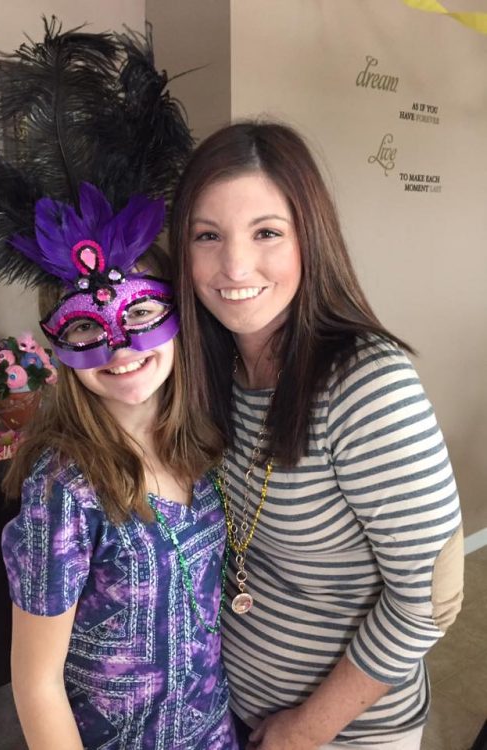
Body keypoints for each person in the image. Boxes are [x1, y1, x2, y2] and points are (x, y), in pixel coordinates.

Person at [0, 20, 237, 750]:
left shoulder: (204, 448)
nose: (119, 348)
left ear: (179, 318)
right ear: (56, 346)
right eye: (87, 328)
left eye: (141, 313)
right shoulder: (66, 487)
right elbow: (35, 682)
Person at [171, 121, 464, 750]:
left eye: (267, 233)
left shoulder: (365, 382)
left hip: (344, 734)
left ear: (311, 239)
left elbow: (432, 597)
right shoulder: (213, 367)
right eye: (207, 236)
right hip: (233, 709)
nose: (234, 266)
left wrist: (306, 730)